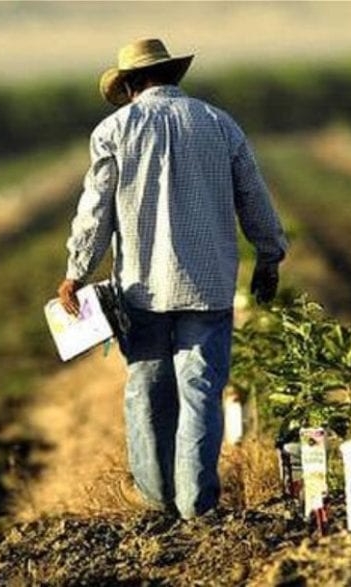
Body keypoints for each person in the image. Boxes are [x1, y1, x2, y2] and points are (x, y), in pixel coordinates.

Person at [58, 38, 287, 520]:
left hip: (141, 288)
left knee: (146, 392)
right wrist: (270, 256)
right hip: (208, 285)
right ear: (170, 77)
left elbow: (95, 210)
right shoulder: (218, 124)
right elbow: (253, 196)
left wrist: (76, 272)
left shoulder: (113, 131)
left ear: (131, 84)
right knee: (202, 392)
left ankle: (157, 502)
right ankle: (196, 507)